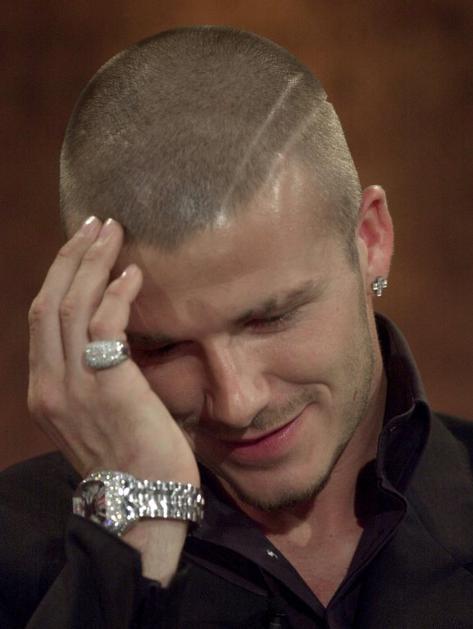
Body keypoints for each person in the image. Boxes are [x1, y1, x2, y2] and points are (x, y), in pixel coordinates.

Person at [0, 25, 472, 629]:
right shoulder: (19, 553)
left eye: (270, 317)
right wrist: (133, 538)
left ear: (370, 240)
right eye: (163, 347)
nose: (236, 403)